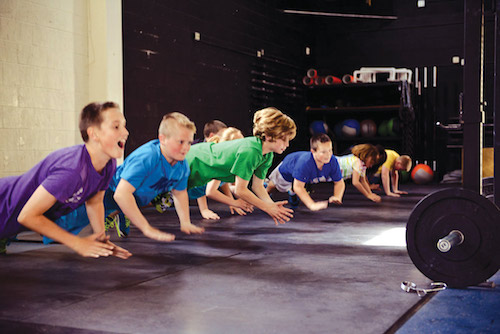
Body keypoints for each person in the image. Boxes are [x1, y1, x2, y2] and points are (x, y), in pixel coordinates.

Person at [0, 102, 131, 259]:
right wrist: (77, 243)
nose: (126, 132)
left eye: (124, 125)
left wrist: (101, 239)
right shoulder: (72, 170)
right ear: (94, 134)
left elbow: (94, 202)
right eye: (116, 127)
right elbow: (27, 216)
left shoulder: (108, 164)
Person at [186, 107, 296, 225]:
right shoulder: (251, 150)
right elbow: (240, 190)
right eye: (284, 139)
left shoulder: (267, 156)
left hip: (198, 174)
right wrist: (266, 207)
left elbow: (257, 186)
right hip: (192, 161)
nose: (287, 144)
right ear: (269, 136)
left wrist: (271, 205)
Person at [104, 112, 205, 240]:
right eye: (180, 142)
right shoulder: (147, 157)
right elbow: (121, 194)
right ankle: (118, 212)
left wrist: (185, 222)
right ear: (162, 139)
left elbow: (179, 193)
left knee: (132, 203)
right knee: (86, 232)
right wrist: (147, 228)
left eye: (189, 142)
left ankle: (125, 212)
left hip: (136, 197)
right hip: (107, 194)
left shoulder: (182, 165)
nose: (186, 148)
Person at [266, 133, 345, 211]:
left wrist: (337, 196)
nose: (328, 155)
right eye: (323, 152)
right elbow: (298, 187)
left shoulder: (333, 160)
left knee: (298, 187)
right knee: (273, 186)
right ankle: (266, 187)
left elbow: (339, 182)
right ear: (313, 151)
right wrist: (312, 205)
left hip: (303, 175)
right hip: (287, 170)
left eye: (330, 150)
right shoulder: (305, 162)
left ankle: (292, 192)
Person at [191, 127, 254, 220]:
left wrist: (231, 201)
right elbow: (207, 189)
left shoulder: (230, 161)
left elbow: (221, 180)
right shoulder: (220, 161)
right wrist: (204, 209)